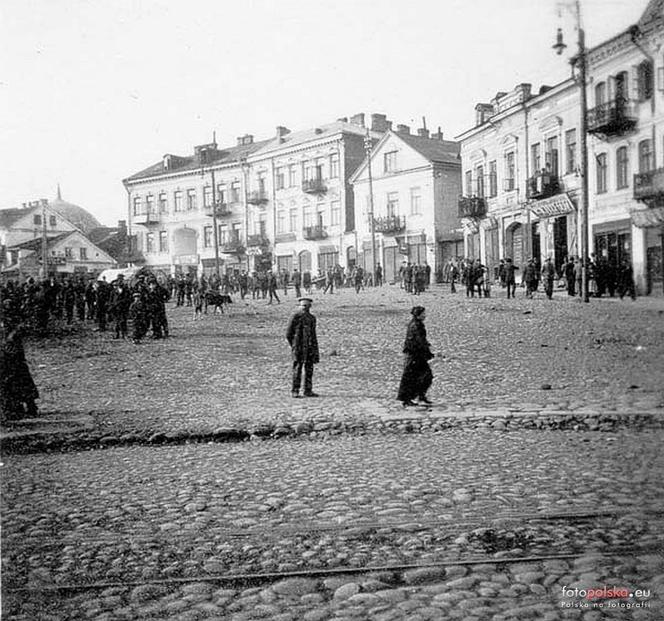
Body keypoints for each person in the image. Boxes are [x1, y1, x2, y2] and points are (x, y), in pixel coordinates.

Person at [1, 321, 39, 419]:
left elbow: (22, 323)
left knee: (16, 374)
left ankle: (20, 406)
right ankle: (13, 407)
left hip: (9, 346)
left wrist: (12, 336)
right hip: (6, 344)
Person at [397, 306, 434, 407]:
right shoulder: (416, 325)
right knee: (411, 377)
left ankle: (420, 396)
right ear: (418, 314)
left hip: (417, 354)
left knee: (426, 376)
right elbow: (419, 341)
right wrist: (428, 352)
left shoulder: (416, 324)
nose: (425, 315)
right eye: (423, 314)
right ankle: (406, 399)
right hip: (414, 354)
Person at [286, 297, 320, 398]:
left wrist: (314, 347)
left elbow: (313, 334)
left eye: (307, 306)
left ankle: (308, 390)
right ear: (300, 306)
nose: (305, 308)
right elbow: (288, 333)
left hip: (310, 346)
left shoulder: (312, 318)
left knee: (309, 369)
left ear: (310, 307)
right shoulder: (295, 316)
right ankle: (295, 390)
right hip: (298, 346)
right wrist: (294, 345)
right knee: (297, 368)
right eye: (303, 306)